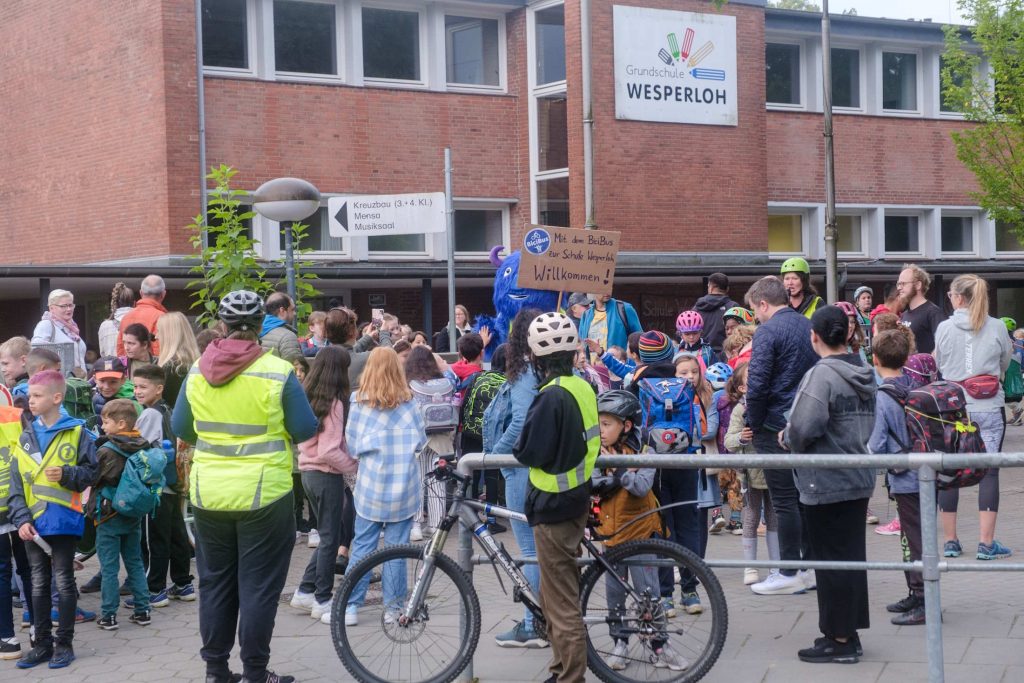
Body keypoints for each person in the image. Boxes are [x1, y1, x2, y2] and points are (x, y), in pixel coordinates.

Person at [171, 290, 317, 683]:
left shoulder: (197, 371)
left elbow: (181, 428)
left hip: (209, 495)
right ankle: (255, 674)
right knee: (258, 587)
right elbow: (305, 429)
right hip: (264, 496)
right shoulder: (277, 371)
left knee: (215, 584)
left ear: (222, 326)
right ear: (259, 328)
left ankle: (216, 671)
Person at [784, 305, 876, 664]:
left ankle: (839, 640)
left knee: (830, 562)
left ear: (815, 337)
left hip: (825, 478)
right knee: (850, 560)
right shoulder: (863, 369)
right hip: (858, 474)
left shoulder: (822, 374)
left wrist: (786, 437)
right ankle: (847, 632)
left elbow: (804, 427)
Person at [513, 312, 599, 683]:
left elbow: (528, 451)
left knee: (561, 604)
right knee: (555, 596)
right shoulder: (581, 386)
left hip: (553, 505)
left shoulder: (550, 397)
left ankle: (570, 677)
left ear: (535, 356)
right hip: (575, 499)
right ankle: (560, 668)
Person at [591, 390, 687, 672]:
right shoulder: (596, 453)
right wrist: (621, 477)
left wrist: (618, 472)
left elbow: (641, 487)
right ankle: (620, 643)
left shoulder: (646, 451)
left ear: (626, 425)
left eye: (607, 424)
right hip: (610, 536)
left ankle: (659, 644)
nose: (601, 430)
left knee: (648, 593)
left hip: (642, 534)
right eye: (598, 423)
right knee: (615, 595)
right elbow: (594, 488)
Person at [7, 370, 97, 669]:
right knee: (37, 585)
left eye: (36, 396)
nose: (30, 401)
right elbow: (17, 484)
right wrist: (20, 519)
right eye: (30, 396)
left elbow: (91, 473)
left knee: (64, 582)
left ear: (56, 398)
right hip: (32, 524)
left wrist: (68, 475)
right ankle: (42, 644)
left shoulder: (78, 432)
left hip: (63, 521)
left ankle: (64, 644)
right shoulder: (26, 437)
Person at [744, 276, 818, 596]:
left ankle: (788, 571)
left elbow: (757, 384)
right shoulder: (807, 326)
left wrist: (752, 421)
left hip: (773, 425)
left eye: (754, 310)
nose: (755, 317)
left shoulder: (767, 331)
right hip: (806, 421)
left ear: (763, 303)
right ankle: (809, 566)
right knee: (805, 498)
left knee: (784, 499)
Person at [342, 347, 427, 627]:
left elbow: (352, 446)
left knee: (363, 546)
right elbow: (421, 442)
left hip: (371, 486)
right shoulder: (409, 403)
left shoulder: (358, 401)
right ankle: (394, 608)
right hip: (404, 485)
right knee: (397, 548)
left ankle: (350, 605)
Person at [934, 274, 1013, 561]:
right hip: (989, 405)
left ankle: (951, 541)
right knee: (990, 471)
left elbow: (940, 364)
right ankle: (986, 542)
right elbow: (1005, 361)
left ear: (958, 298)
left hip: (953, 407)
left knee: (949, 471)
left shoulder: (944, 328)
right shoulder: (996, 327)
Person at [483, 308, 548, 648]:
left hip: (522, 469)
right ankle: (542, 621)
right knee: (537, 548)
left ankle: (532, 624)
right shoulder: (542, 368)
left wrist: (500, 453)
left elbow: (521, 419)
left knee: (528, 549)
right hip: (538, 468)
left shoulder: (524, 373)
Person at [290, 346, 356, 625]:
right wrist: (354, 467)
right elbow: (330, 450)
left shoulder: (308, 397)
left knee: (328, 535)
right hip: (326, 474)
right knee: (331, 538)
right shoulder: (335, 403)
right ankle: (322, 598)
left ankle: (305, 590)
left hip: (307, 472)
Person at [868, 329, 925, 625]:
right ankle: (915, 594)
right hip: (924, 474)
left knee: (913, 540)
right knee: (913, 537)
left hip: (905, 478)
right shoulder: (913, 383)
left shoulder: (884, 396)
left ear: (875, 359)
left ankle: (923, 599)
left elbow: (876, 444)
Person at [131, 364, 194, 607]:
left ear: (159, 388)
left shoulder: (149, 414)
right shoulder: (169, 409)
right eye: (135, 386)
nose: (137, 391)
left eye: (143, 387)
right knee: (176, 536)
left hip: (155, 486)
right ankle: (183, 583)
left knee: (153, 539)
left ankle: (153, 588)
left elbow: (140, 446)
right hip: (173, 482)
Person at [90, 399, 154, 631]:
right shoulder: (143, 445)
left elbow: (95, 478)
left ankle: (108, 615)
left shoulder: (107, 450)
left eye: (106, 422)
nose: (103, 426)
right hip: (133, 513)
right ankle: (143, 609)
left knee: (109, 568)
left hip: (108, 515)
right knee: (135, 562)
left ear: (121, 423)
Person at [723, 362, 780, 587]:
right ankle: (750, 566)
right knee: (751, 516)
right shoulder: (740, 410)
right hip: (749, 474)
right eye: (751, 378)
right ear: (742, 388)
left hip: (773, 469)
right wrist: (741, 438)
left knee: (775, 518)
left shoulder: (773, 404)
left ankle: (777, 565)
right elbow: (728, 440)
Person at [404, 345, 456, 539]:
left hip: (416, 439)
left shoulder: (409, 384)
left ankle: (415, 525)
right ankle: (436, 526)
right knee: (437, 481)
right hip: (441, 438)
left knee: (416, 481)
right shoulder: (446, 383)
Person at [0, 402, 33, 660]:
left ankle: (7, 639)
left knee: (1, 574)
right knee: (29, 567)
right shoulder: (14, 415)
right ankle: (37, 629)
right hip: (21, 502)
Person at [31, 289, 87, 376]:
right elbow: (36, 350)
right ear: (51, 308)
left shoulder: (72, 328)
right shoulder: (46, 324)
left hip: (78, 382)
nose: (68, 309)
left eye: (70, 305)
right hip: (59, 382)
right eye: (63, 306)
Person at [155, 311, 200, 407]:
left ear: (169, 335)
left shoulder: (172, 368)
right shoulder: (196, 363)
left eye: (159, 331)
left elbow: (167, 405)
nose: (156, 336)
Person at [897, 264, 944, 354]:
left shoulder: (933, 313)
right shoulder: (904, 315)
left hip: (926, 367)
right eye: (898, 284)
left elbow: (943, 345)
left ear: (918, 285)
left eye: (903, 284)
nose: (899, 288)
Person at [117, 275, 168, 358]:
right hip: (151, 369)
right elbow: (160, 352)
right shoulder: (162, 318)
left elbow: (120, 349)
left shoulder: (126, 317)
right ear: (163, 294)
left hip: (130, 368)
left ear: (141, 293)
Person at [578, 293, 643, 354]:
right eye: (602, 288)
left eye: (609, 287)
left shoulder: (624, 308)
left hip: (618, 364)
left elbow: (639, 340)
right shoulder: (586, 315)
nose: (607, 292)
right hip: (592, 365)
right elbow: (581, 344)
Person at [693, 272, 739, 353]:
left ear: (710, 288)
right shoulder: (733, 307)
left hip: (702, 355)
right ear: (727, 289)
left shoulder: (697, 308)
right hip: (726, 355)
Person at [259, 292, 303, 363]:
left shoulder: (255, 332)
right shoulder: (288, 337)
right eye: (292, 309)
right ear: (282, 310)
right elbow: (296, 369)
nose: (294, 313)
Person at [98, 282, 136, 358]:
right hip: (134, 368)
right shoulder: (139, 323)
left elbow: (102, 353)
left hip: (110, 368)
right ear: (134, 303)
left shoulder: (104, 326)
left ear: (115, 304)